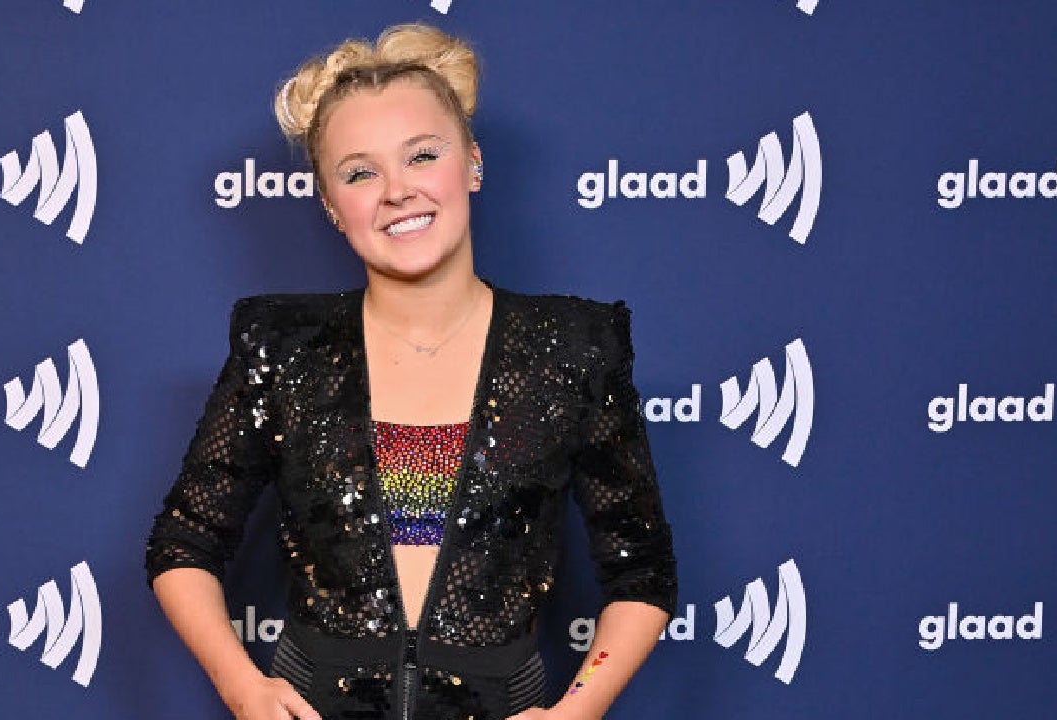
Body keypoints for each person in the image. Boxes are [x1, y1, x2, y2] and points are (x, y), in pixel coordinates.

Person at [146, 23, 676, 720]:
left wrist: (577, 710)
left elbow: (641, 572)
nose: (397, 191)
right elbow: (183, 543)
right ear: (332, 205)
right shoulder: (284, 347)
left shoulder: (571, 348)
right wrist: (241, 686)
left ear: (473, 164)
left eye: (422, 155)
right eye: (360, 173)